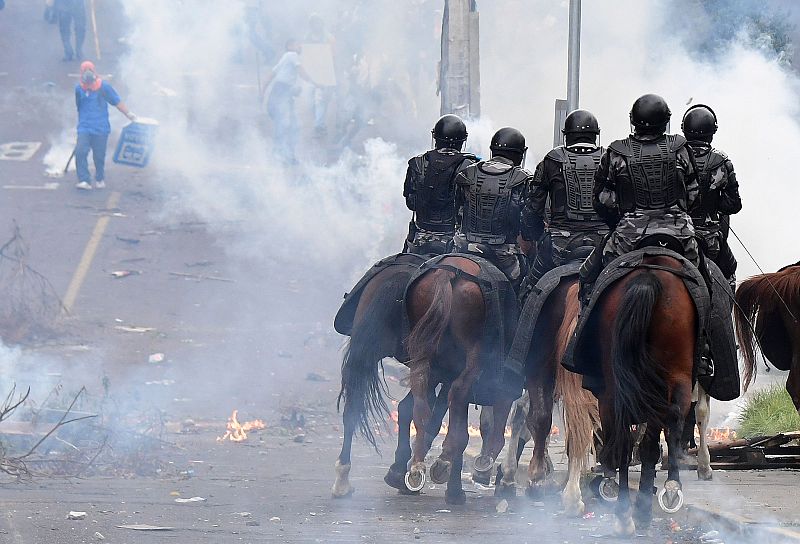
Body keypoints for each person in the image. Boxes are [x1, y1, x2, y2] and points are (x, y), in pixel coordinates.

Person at [521, 109, 608, 289]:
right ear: (596, 135)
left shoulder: (551, 160)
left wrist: (536, 236)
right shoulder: (610, 158)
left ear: (566, 135)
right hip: (604, 244)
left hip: (558, 245)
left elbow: (533, 209)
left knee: (529, 289)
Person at [453, 127, 531, 285]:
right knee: (525, 282)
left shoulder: (467, 174)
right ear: (520, 153)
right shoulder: (523, 179)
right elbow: (527, 224)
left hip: (465, 247)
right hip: (504, 255)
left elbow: (457, 212)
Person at [682, 104, 742, 287]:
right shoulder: (722, 161)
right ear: (712, 130)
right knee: (729, 271)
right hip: (709, 239)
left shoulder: (671, 154)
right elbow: (733, 205)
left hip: (675, 231)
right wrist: (714, 202)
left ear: (684, 129)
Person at [403, 114, 477, 255]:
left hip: (419, 241)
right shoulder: (470, 167)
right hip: (455, 243)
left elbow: (411, 203)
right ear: (462, 141)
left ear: (435, 138)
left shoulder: (417, 163)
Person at [74, 61, 135, 190]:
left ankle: (100, 178)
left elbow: (116, 102)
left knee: (99, 155)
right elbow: (79, 106)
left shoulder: (104, 87)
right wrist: (81, 124)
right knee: (80, 152)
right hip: (84, 127)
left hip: (101, 128)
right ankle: (84, 179)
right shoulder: (79, 89)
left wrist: (129, 114)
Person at [262, 39, 313, 165]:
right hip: (281, 94)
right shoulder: (292, 55)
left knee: (290, 126)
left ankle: (286, 156)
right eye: (297, 44)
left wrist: (262, 94)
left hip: (278, 94)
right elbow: (301, 72)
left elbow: (270, 76)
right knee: (286, 126)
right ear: (290, 46)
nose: (300, 46)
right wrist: (315, 82)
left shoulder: (284, 59)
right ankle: (281, 157)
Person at [305, 13, 336, 137]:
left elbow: (333, 56)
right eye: (312, 22)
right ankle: (319, 122)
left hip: (324, 71)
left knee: (320, 100)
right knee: (309, 100)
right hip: (311, 72)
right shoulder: (307, 36)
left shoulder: (329, 38)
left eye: (317, 22)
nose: (315, 25)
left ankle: (319, 124)